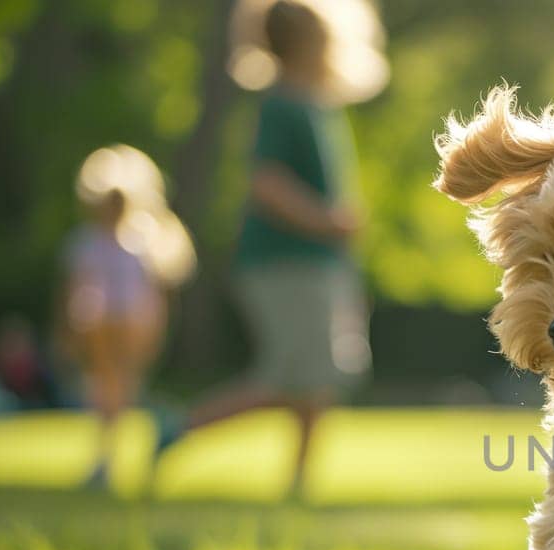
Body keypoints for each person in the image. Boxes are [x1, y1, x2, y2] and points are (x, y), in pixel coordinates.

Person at [155, 0, 385, 498]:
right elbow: (267, 184)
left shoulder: (313, 103)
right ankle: (180, 426)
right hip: (286, 263)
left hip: (314, 262)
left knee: (317, 379)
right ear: (307, 42)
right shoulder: (281, 104)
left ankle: (299, 482)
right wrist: (326, 220)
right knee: (290, 379)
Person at [62, 144, 195, 489]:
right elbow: (77, 291)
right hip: (101, 324)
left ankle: (146, 438)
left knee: (123, 388)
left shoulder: (142, 243)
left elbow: (152, 296)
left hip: (132, 323)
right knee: (108, 390)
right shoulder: (87, 244)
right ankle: (108, 458)